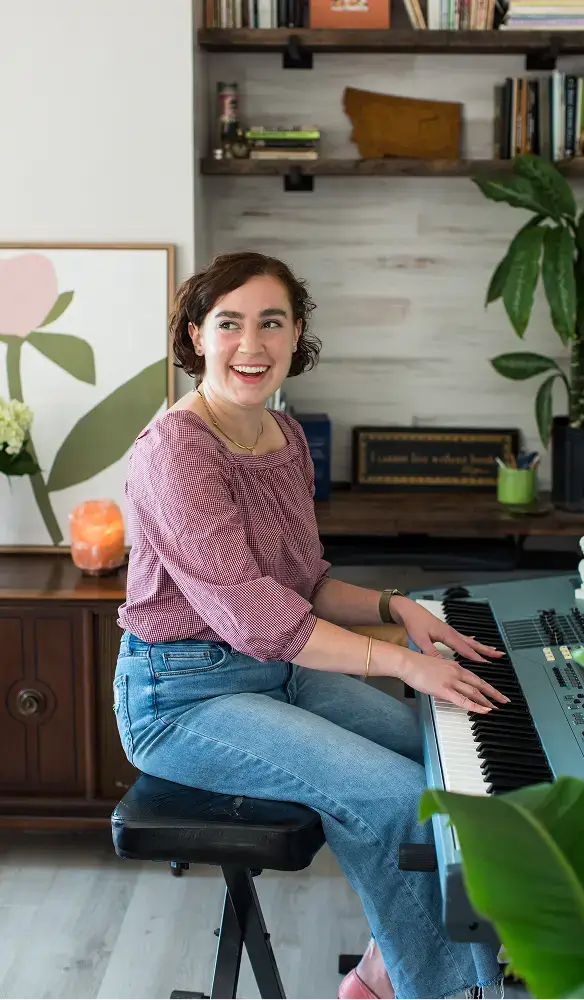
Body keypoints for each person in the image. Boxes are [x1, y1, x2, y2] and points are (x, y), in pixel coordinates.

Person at [114, 250, 508, 1000]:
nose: (252, 345)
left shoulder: (283, 438)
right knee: (399, 800)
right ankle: (446, 989)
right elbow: (260, 618)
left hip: (277, 675)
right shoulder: (177, 453)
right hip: (183, 700)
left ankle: (380, 971)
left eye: (272, 323)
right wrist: (399, 663)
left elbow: (304, 586)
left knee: (449, 757)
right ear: (197, 336)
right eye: (229, 324)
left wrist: (397, 608)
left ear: (298, 335)